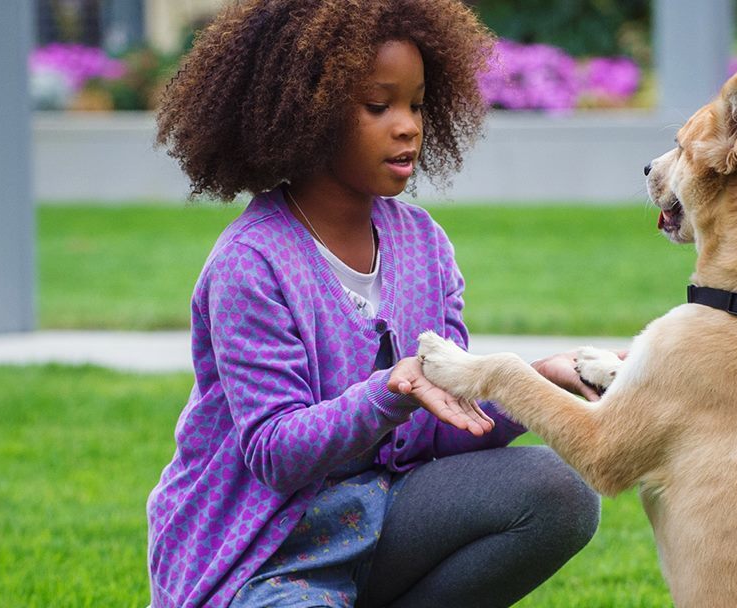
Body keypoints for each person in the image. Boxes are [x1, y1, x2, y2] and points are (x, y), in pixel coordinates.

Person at [146, 1, 601, 606]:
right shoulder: (250, 264)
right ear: (309, 109)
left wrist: (536, 382)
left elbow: (442, 431)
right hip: (262, 555)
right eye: (378, 105)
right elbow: (274, 454)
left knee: (561, 491)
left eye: (415, 103)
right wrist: (390, 389)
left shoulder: (423, 245)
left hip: (381, 519)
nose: (409, 125)